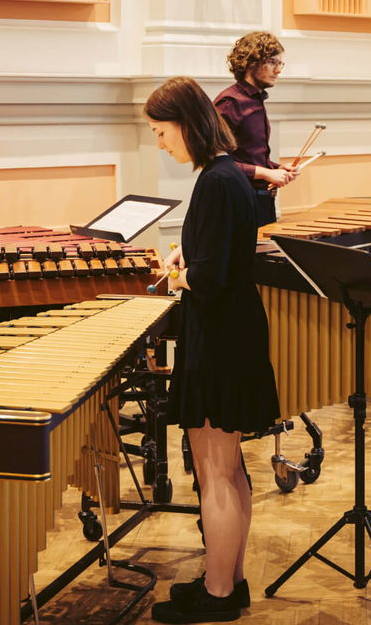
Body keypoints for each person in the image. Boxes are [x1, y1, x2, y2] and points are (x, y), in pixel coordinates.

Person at [145, 76, 281, 623]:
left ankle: (219, 594)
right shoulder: (224, 176)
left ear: (185, 124)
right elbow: (217, 251)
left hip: (220, 337)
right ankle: (230, 579)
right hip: (231, 333)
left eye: (160, 131)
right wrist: (188, 253)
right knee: (230, 469)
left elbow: (213, 278)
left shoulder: (216, 181)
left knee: (215, 473)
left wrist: (177, 277)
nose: (160, 143)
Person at [214, 31, 298, 227]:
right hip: (238, 199)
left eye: (280, 63)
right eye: (272, 62)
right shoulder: (230, 102)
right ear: (251, 62)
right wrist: (265, 173)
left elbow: (248, 156)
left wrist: (275, 168)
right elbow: (216, 162)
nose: (278, 70)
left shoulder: (255, 100)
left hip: (261, 199)